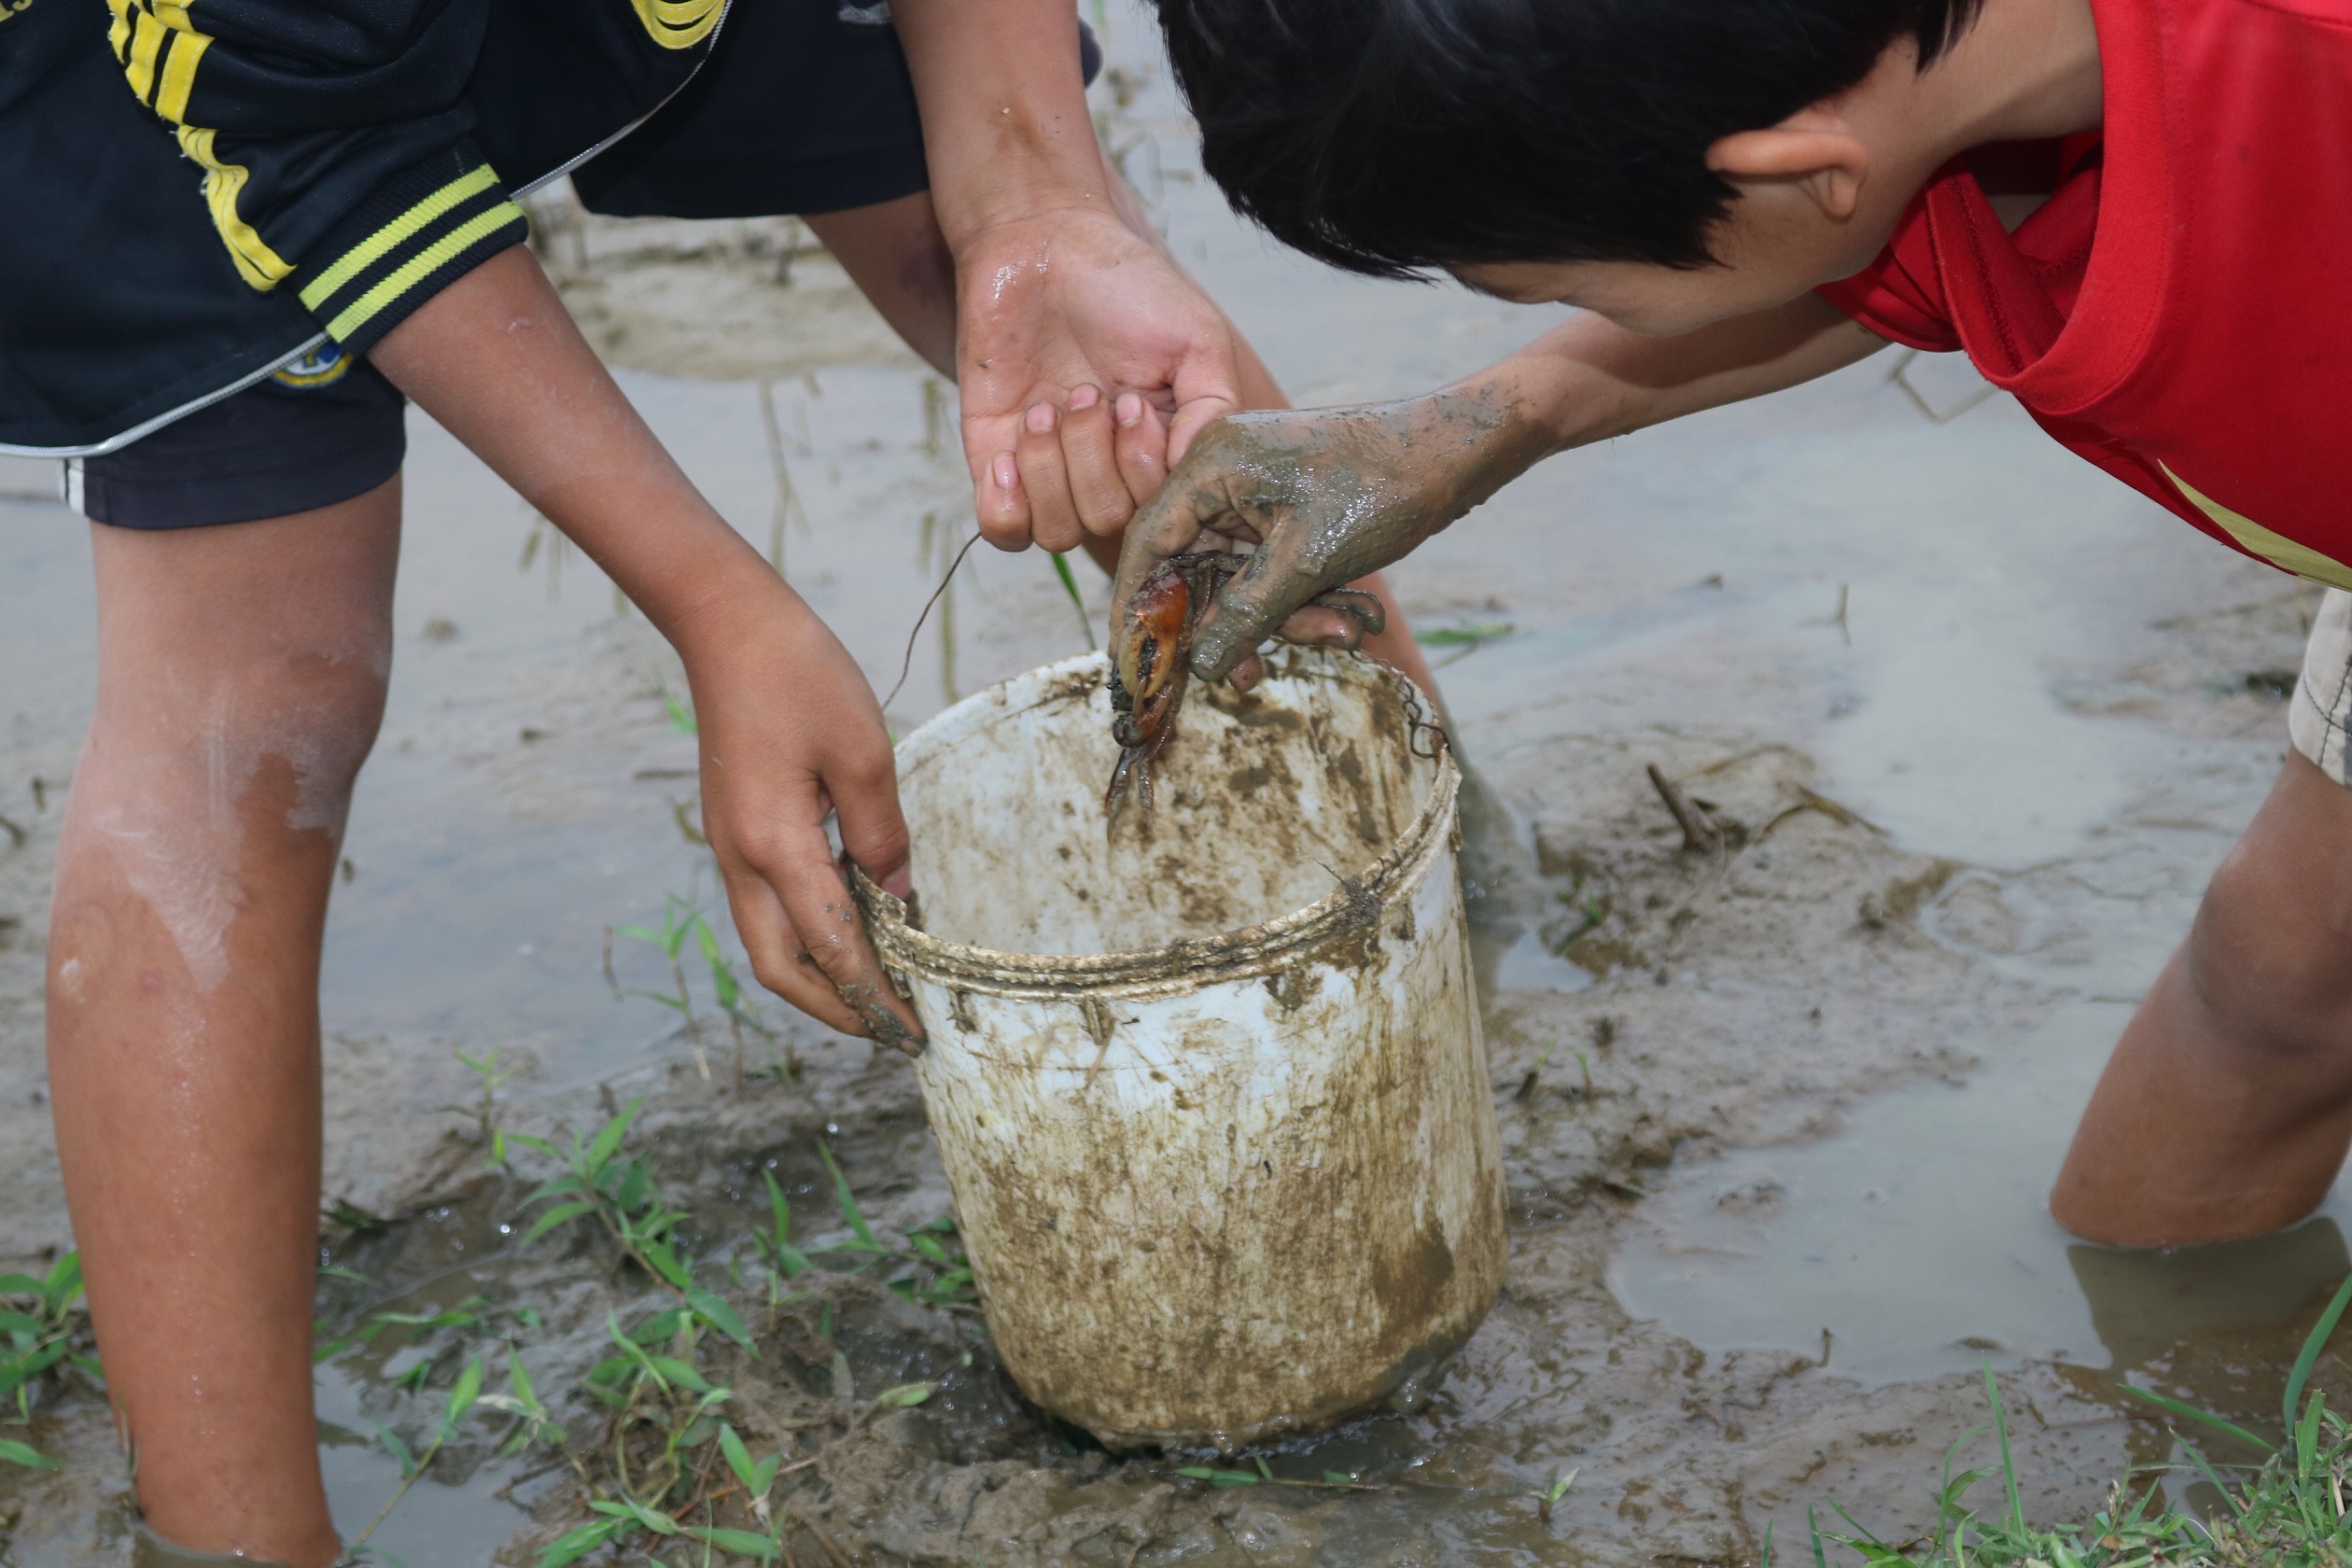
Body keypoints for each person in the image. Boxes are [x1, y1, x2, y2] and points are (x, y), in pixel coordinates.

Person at [0, 0, 1429, 1560]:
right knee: (261, 694)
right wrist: (718, 604)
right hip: (193, 68)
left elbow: (1020, 204)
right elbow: (316, 133)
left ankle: (1439, 920)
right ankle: (234, 1536)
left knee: (1079, 348)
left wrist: (1036, 200)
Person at [1114, 0, 2352, 1253]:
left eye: (1556, 284)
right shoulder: (1953, 90)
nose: (1554, 308)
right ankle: (2169, 1342)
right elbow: (1902, 252)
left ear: (1798, 171)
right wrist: (1485, 425)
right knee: (2284, 965)